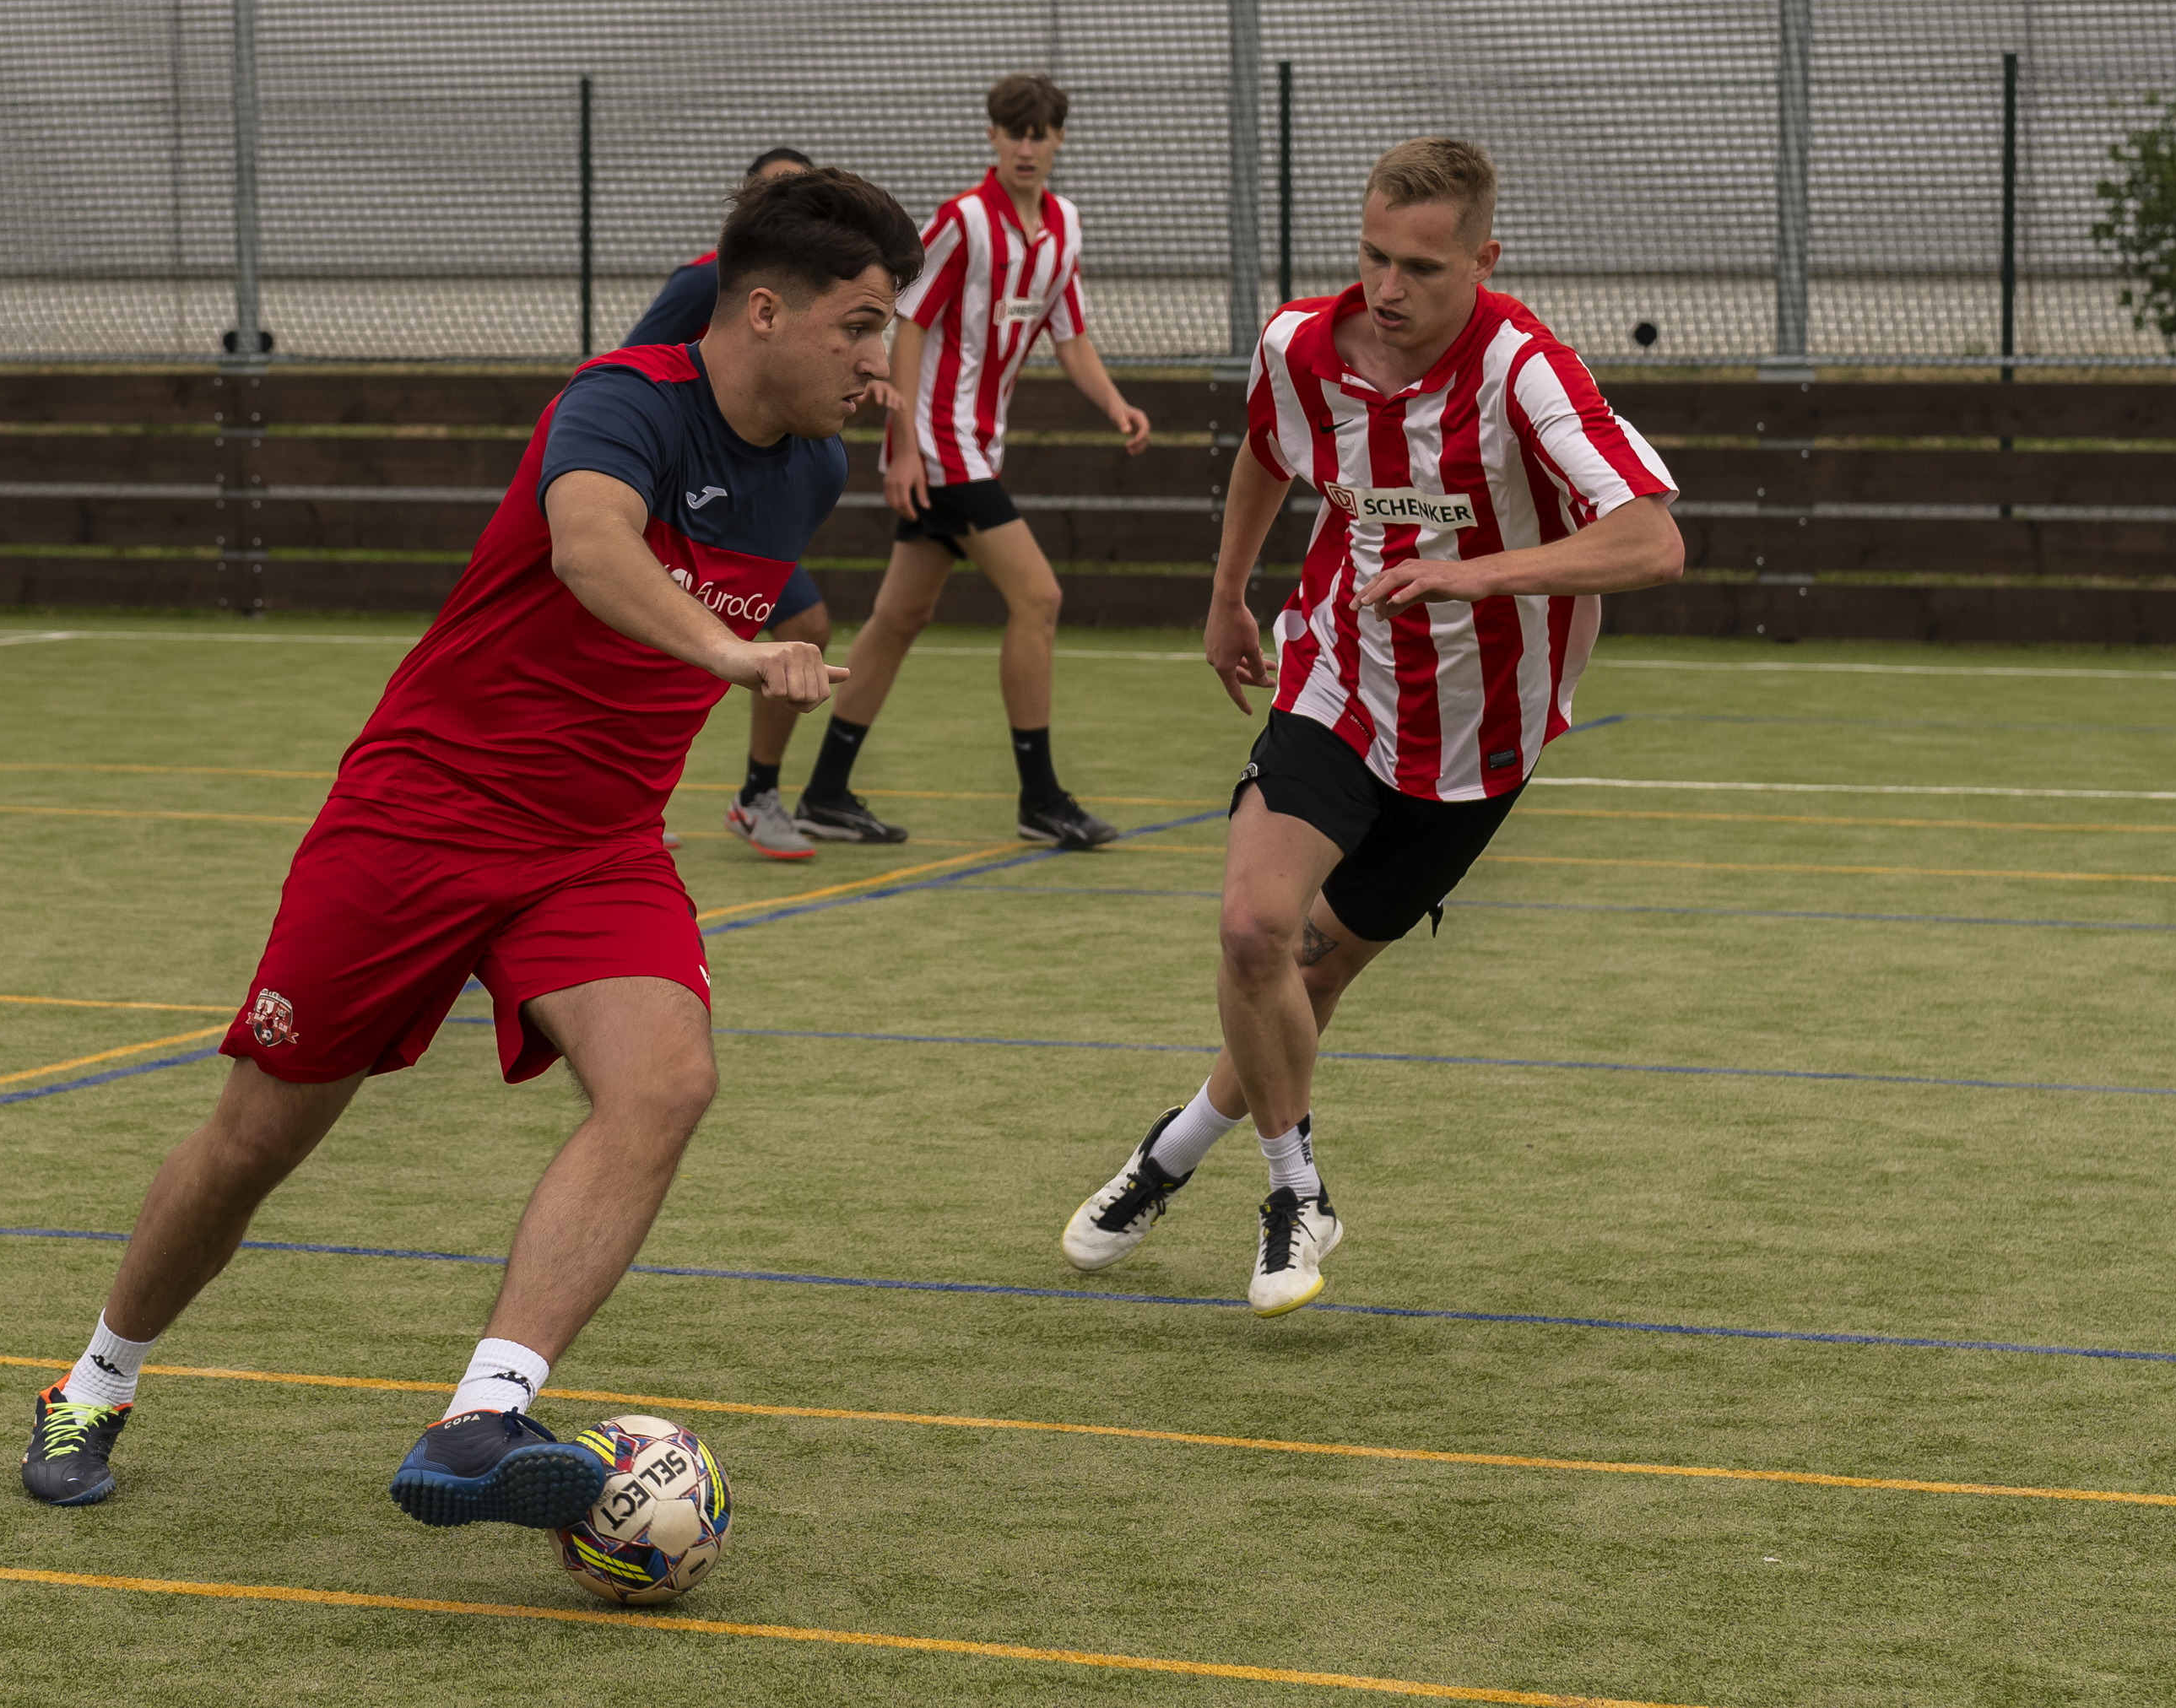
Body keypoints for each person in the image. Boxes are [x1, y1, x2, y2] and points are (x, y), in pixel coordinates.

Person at [19, 167, 925, 1521]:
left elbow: (729, 535)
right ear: (762, 312)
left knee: (666, 1080)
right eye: (859, 324)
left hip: (595, 844)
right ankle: (94, 1379)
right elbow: (587, 550)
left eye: (886, 326)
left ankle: (480, 1419)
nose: (882, 357)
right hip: (419, 817)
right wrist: (736, 646)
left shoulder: (809, 467)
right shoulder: (620, 402)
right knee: (256, 1139)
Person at [1057, 137, 1685, 1316]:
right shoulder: (1302, 343)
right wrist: (1226, 587)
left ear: (1483, 261)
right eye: (1372, 258)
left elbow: (1650, 540)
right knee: (1253, 929)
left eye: (1421, 268)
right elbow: (1262, 448)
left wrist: (1477, 575)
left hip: (1480, 736)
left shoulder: (1524, 370)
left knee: (1311, 968)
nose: (1388, 291)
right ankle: (1295, 1189)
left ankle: (1172, 1150)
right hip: (1334, 679)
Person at [791, 72, 1151, 851]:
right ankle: (1042, 799)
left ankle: (822, 793)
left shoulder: (1064, 227)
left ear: (1059, 139)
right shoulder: (961, 221)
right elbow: (910, 324)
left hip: (977, 445)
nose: (1026, 146)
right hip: (943, 446)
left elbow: (1071, 335)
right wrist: (904, 445)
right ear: (992, 136)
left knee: (898, 618)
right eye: (1012, 131)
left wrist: (1115, 404)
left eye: (1040, 132)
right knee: (1040, 598)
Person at [623, 144, 859, 863]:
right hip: (677, 511)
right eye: (776, 198)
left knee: (806, 623)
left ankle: (757, 794)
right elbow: (626, 370)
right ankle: (618, 804)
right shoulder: (708, 283)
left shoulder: (822, 303)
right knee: (639, 648)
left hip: (744, 508)